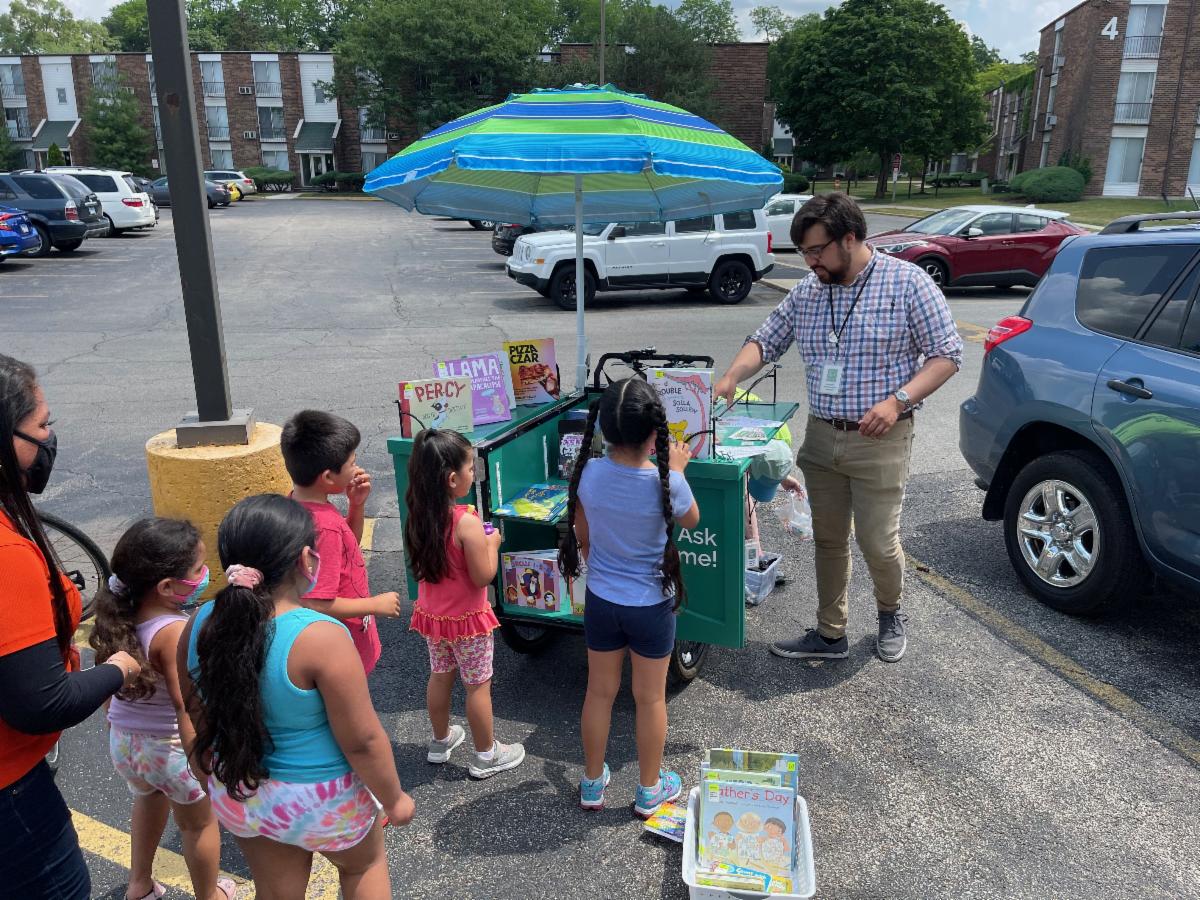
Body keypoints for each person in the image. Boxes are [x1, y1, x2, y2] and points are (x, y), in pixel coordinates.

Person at [713, 193, 963, 663]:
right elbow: (765, 340)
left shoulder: (907, 282)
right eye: (803, 253)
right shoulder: (809, 291)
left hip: (881, 438)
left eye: (816, 250)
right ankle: (831, 633)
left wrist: (898, 400)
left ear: (850, 238)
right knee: (828, 539)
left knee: (877, 541)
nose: (810, 262)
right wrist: (731, 376)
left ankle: (890, 613)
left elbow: (947, 355)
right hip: (823, 434)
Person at [178, 494, 414, 899]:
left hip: (243, 789)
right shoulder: (320, 636)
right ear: (306, 559)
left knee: (276, 892)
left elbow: (194, 704)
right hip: (321, 797)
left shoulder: (200, 621)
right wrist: (394, 800)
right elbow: (362, 740)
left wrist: (207, 764)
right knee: (363, 867)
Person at [0, 353, 143, 899]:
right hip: (11, 795)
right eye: (42, 426)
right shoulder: (8, 555)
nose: (49, 439)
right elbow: (40, 703)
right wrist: (120, 668)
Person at [559, 378, 700, 817]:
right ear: (655, 433)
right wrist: (678, 470)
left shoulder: (589, 474)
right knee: (650, 698)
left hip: (602, 600)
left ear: (603, 429)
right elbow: (692, 520)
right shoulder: (667, 482)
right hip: (651, 605)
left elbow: (584, 537)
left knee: (599, 692)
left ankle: (591, 783)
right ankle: (649, 789)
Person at [90, 517, 236, 900]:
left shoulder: (117, 619)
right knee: (198, 825)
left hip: (126, 744)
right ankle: (210, 895)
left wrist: (115, 727)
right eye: (198, 569)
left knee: (148, 798)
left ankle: (139, 884)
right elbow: (186, 705)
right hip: (171, 749)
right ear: (167, 586)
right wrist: (201, 759)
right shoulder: (172, 632)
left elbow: (109, 688)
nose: (205, 575)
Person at [403, 429, 526, 778]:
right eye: (471, 468)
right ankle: (487, 754)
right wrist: (493, 543)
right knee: (478, 686)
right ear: (452, 479)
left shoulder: (418, 515)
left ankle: (440, 741)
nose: (474, 473)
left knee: (440, 676)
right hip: (468, 622)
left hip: (433, 618)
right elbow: (483, 576)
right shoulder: (466, 523)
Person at [280, 410, 401, 675]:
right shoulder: (324, 527)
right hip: (343, 646)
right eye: (351, 463)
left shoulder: (297, 506)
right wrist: (374, 604)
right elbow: (317, 601)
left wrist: (356, 505)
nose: (356, 469)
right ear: (327, 477)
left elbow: (346, 548)